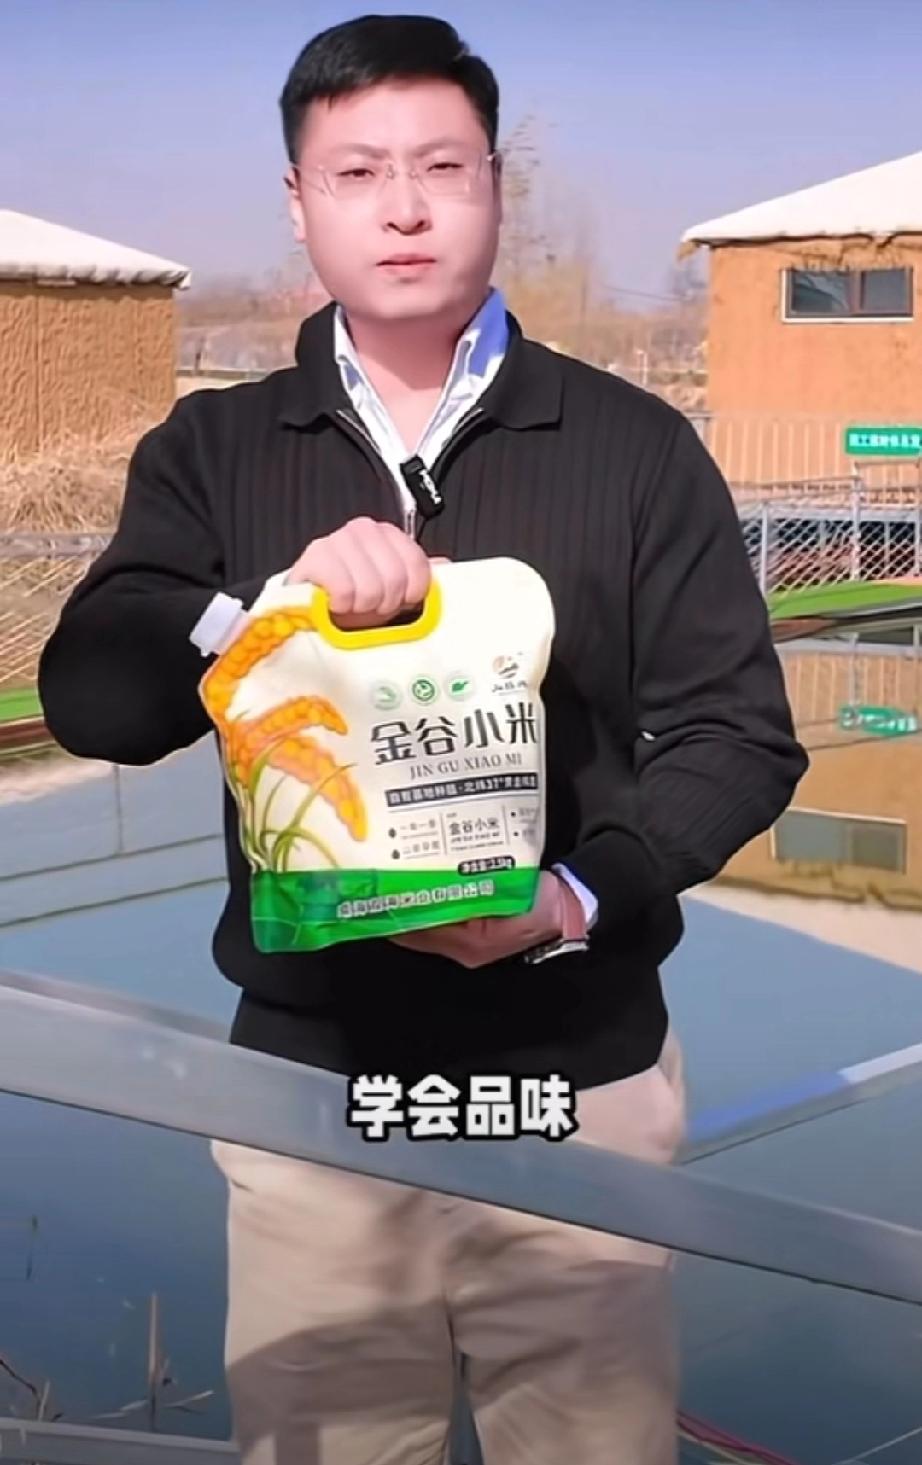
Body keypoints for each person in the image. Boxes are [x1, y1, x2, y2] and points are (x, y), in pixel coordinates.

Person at [38, 14, 808, 1464]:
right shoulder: (212, 451)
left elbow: (738, 735)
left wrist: (573, 900)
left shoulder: (634, 446)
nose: (403, 207)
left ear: (495, 185)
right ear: (298, 201)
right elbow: (98, 703)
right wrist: (265, 614)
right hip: (316, 1092)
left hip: (574, 1083)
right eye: (357, 172)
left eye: (442, 166)